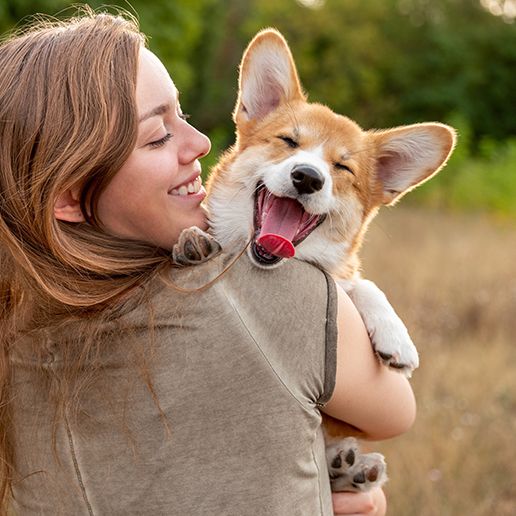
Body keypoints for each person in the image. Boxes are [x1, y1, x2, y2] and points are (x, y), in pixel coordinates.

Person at [0, 8, 415, 515]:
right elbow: (396, 413)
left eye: (185, 114)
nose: (201, 143)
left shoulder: (14, 326)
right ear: (69, 194)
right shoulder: (282, 301)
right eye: (157, 135)